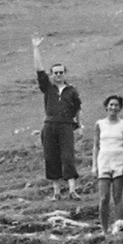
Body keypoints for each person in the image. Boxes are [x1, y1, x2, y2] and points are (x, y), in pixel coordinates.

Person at [32, 36, 82, 200]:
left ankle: (72, 190)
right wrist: (36, 48)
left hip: (66, 125)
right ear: (52, 74)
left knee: (68, 156)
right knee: (51, 157)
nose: (58, 75)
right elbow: (39, 70)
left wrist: (79, 126)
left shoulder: (72, 91)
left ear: (65, 74)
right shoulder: (47, 88)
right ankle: (56, 192)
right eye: (55, 73)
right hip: (50, 125)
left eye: (61, 72)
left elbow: (77, 108)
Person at [92, 95, 123, 236]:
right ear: (106, 106)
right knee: (104, 197)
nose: (113, 107)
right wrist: (94, 165)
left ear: (120, 108)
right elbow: (96, 145)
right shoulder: (99, 124)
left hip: (119, 161)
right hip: (104, 161)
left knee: (117, 197)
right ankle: (104, 229)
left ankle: (117, 228)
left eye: (116, 105)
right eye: (111, 105)